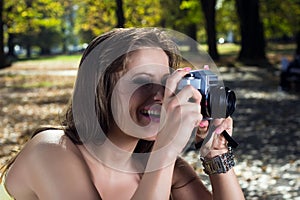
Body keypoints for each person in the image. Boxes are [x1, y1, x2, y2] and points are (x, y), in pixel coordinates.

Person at [0, 28, 245, 199]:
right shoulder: (50, 151)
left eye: (166, 81)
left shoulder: (155, 165)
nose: (160, 95)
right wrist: (168, 147)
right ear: (99, 90)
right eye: (141, 81)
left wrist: (216, 154)